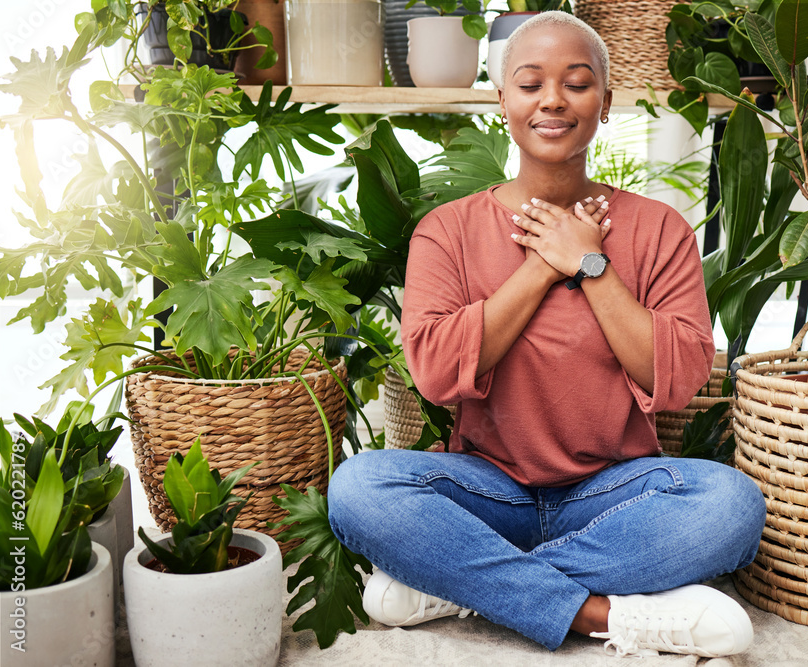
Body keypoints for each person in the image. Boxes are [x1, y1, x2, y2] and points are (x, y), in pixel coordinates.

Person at [327, 11, 767, 658]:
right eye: (530, 83)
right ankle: (600, 612)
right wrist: (540, 265)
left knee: (732, 504)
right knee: (358, 488)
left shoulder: (657, 230)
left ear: (606, 103)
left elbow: (677, 377)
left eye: (577, 83)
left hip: (615, 494)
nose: (553, 99)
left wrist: (591, 264)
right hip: (487, 488)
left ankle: (462, 581)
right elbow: (437, 371)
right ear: (503, 101)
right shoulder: (447, 231)